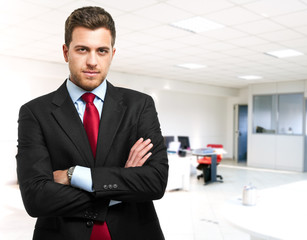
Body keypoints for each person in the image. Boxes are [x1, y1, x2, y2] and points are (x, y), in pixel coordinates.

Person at [16, 6, 168, 240]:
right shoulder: (35, 113)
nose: (92, 61)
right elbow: (36, 198)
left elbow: (155, 182)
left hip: (134, 231)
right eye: (82, 49)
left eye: (102, 51)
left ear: (112, 54)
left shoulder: (140, 106)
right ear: (66, 52)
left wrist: (72, 175)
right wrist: (124, 183)